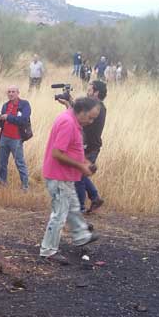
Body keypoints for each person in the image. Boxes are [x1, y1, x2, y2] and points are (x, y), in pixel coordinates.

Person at [39, 97, 101, 262]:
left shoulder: (73, 120)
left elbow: (72, 150)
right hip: (58, 176)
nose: (91, 121)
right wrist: (81, 167)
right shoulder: (68, 122)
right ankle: (48, 251)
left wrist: (85, 163)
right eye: (90, 117)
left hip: (65, 176)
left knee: (73, 208)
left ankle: (81, 236)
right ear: (82, 111)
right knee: (59, 214)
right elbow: (57, 153)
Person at [57, 81, 107, 213]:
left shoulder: (97, 108)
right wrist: (70, 104)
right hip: (89, 145)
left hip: (89, 146)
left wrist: (70, 106)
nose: (87, 92)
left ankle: (80, 208)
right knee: (80, 172)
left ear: (96, 92)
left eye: (90, 90)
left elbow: (80, 120)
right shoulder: (97, 107)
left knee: (77, 176)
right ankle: (95, 197)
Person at [0, 86, 31, 190]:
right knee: (2, 163)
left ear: (18, 93)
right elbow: (2, 122)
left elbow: (24, 120)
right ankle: (2, 184)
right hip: (4, 137)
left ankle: (25, 186)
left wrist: (8, 117)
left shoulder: (24, 104)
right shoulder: (5, 105)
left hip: (16, 138)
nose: (11, 94)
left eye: (13, 92)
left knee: (20, 163)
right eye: (9, 92)